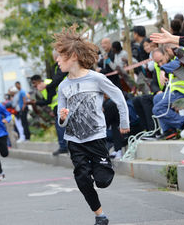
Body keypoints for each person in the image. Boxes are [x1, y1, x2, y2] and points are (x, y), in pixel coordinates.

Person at [54, 24, 130, 225]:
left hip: (96, 137)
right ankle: (100, 216)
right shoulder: (63, 86)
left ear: (73, 57)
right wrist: (62, 117)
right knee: (82, 179)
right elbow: (61, 122)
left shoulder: (96, 78)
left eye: (60, 56)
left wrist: (124, 121)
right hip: (74, 140)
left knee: (103, 181)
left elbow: (119, 96)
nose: (57, 60)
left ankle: (103, 166)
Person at [151, 48, 184, 139]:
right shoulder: (171, 60)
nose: (160, 64)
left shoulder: (182, 54)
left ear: (167, 52)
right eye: (158, 63)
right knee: (157, 98)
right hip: (180, 90)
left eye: (161, 61)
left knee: (158, 109)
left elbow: (177, 63)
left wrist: (163, 70)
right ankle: (169, 131)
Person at [30, 74, 68, 156]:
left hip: (60, 106)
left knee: (60, 128)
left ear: (39, 81)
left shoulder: (48, 84)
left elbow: (49, 100)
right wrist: (36, 102)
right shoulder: (44, 86)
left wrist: (36, 102)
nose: (34, 85)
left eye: (34, 83)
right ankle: (65, 146)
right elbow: (46, 100)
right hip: (57, 107)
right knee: (61, 127)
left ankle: (63, 147)